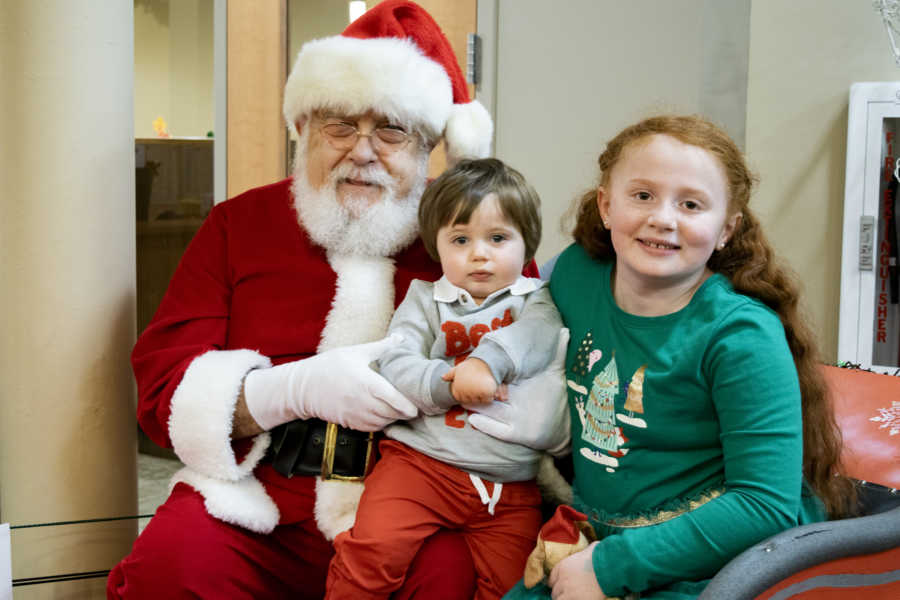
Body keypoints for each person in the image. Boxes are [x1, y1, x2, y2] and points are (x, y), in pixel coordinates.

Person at [106, 2, 568, 598]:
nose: (362, 150)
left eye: (392, 129)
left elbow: (544, 355)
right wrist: (286, 390)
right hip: (258, 498)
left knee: (452, 578)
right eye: (339, 125)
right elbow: (163, 389)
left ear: (430, 144)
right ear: (303, 130)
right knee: (171, 567)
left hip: (425, 501)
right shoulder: (237, 225)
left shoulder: (481, 238)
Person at [503, 115, 855, 600]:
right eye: (642, 195)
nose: (663, 218)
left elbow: (763, 505)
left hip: (713, 561)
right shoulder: (573, 275)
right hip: (592, 540)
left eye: (690, 204)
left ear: (726, 229)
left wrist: (610, 567)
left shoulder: (742, 335)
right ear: (606, 205)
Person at [325, 158, 569, 599]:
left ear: (527, 244)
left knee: (516, 586)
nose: (479, 253)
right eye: (461, 239)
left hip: (508, 488)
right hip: (420, 467)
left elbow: (539, 337)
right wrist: (446, 383)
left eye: (498, 238)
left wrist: (488, 362)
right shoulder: (425, 299)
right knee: (371, 553)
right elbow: (395, 361)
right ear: (437, 246)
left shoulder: (536, 301)